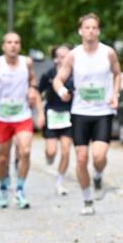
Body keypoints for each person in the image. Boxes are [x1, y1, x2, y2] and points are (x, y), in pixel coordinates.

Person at [52, 13, 121, 216]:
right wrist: (62, 91)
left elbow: (117, 74)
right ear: (80, 31)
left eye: (94, 27)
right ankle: (87, 198)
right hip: (80, 112)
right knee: (81, 159)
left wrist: (115, 94)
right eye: (87, 27)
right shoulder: (73, 55)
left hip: (102, 112)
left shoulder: (108, 53)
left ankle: (98, 174)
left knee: (99, 156)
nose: (90, 31)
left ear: (98, 31)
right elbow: (58, 79)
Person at [0, 32, 41, 209]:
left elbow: (32, 79)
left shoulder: (26, 62)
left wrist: (32, 90)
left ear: (19, 46)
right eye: (9, 42)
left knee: (26, 151)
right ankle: (3, 187)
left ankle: (20, 189)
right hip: (3, 116)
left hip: (22, 115)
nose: (13, 45)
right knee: (2, 158)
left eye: (16, 42)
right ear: (3, 46)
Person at [38, 45, 75, 196]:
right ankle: (49, 156)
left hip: (68, 116)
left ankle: (59, 182)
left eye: (65, 56)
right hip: (52, 115)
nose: (62, 59)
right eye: (59, 56)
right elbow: (37, 94)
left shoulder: (74, 75)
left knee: (66, 151)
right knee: (51, 151)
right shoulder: (48, 74)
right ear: (54, 58)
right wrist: (39, 114)